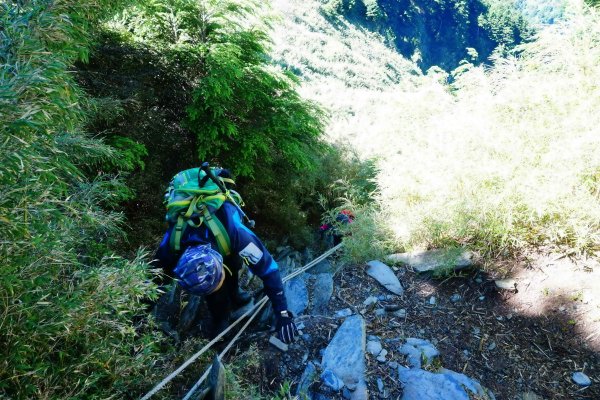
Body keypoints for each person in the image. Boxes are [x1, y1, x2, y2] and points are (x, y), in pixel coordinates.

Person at [154, 168, 298, 344]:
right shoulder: (174, 240)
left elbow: (269, 269)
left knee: (235, 263)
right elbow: (155, 276)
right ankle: (221, 317)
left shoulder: (236, 233)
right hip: (215, 241)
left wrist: (282, 313)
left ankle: (234, 292)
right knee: (215, 294)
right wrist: (136, 315)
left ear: (220, 264)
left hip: (224, 234)